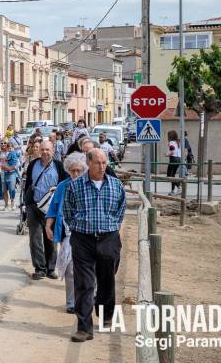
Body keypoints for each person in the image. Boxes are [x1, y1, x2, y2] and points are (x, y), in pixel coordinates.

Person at [63, 149, 127, 343]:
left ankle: (106, 313)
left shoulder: (116, 185)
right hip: (83, 239)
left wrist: (111, 226)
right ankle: (83, 328)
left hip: (109, 238)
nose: (102, 166)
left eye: (104, 163)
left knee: (107, 279)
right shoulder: (75, 186)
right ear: (88, 163)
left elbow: (121, 209)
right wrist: (79, 226)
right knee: (84, 284)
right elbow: (68, 210)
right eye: (98, 163)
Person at [45, 152, 87, 314]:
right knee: (69, 269)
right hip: (68, 233)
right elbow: (53, 208)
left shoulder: (88, 184)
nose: (75, 173)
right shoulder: (63, 186)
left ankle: (85, 299)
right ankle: (71, 303)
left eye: (78, 170)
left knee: (85, 269)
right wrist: (48, 226)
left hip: (86, 233)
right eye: (72, 170)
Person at [23, 140, 66, 280]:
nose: (45, 152)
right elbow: (28, 183)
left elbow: (65, 183)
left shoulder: (59, 166)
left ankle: (50, 268)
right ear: (39, 151)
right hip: (34, 206)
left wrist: (57, 187)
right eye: (43, 150)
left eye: (48, 150)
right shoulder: (33, 165)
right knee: (35, 238)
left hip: (51, 209)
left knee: (51, 238)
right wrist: (26, 203)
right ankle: (39, 268)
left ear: (53, 151)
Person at [0, 141, 21, 210]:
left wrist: (10, 168)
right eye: (2, 143)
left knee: (12, 188)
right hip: (3, 173)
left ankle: (12, 202)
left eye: (5, 143)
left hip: (11, 173)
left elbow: (18, 163)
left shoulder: (13, 153)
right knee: (4, 190)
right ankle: (6, 205)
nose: (3, 144)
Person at [166, 130, 182, 195]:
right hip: (178, 159)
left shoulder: (171, 143)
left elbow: (172, 152)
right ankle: (172, 191)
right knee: (173, 175)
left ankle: (179, 186)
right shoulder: (177, 142)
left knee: (169, 175)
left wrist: (167, 155)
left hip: (173, 159)